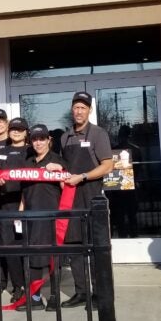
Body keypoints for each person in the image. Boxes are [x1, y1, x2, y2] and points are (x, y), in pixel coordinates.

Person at [57, 92, 113, 308]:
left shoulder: (98, 134)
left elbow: (107, 165)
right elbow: (64, 166)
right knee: (74, 247)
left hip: (91, 196)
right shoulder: (65, 137)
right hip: (71, 198)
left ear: (89, 110)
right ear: (72, 110)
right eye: (76, 107)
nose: (79, 111)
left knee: (95, 247)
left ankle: (101, 293)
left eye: (83, 107)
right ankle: (81, 293)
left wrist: (83, 176)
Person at [18, 124, 68, 311]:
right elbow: (24, 190)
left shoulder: (58, 160)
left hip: (53, 215)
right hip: (31, 215)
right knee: (33, 257)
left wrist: (60, 172)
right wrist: (21, 209)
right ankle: (35, 297)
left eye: (42, 138)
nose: (38, 142)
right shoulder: (27, 162)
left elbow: (68, 188)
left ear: (49, 140)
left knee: (54, 258)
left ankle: (54, 295)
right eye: (35, 139)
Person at [0, 117, 29, 301]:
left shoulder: (31, 151)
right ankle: (18, 286)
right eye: (13, 129)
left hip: (26, 206)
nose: (16, 132)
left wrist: (24, 205)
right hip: (5, 206)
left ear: (26, 132)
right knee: (9, 248)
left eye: (20, 129)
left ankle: (31, 285)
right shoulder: (2, 152)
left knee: (27, 248)